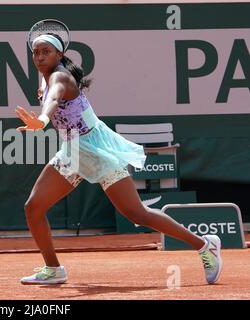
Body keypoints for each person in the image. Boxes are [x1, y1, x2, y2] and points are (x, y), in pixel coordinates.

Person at [15, 19, 223, 285]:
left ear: (60, 55)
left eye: (47, 51)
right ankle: (53, 269)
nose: (40, 56)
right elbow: (48, 93)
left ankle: (205, 245)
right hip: (73, 151)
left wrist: (41, 121)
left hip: (98, 149)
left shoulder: (59, 77)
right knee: (34, 207)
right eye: (36, 52)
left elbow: (54, 98)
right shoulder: (45, 77)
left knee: (136, 214)